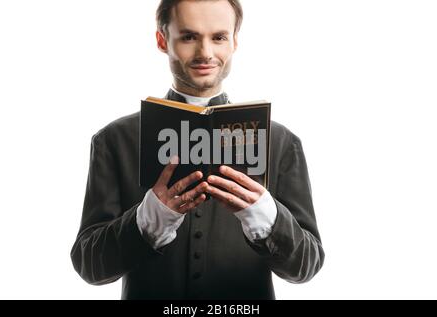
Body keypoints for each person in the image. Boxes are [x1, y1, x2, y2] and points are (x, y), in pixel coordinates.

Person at [71, 0, 325, 300]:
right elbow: (89, 265)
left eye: (218, 37)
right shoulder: (114, 140)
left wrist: (264, 214)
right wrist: (148, 219)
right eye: (189, 36)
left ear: (234, 41)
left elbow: (306, 267)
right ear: (162, 40)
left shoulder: (281, 142)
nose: (206, 53)